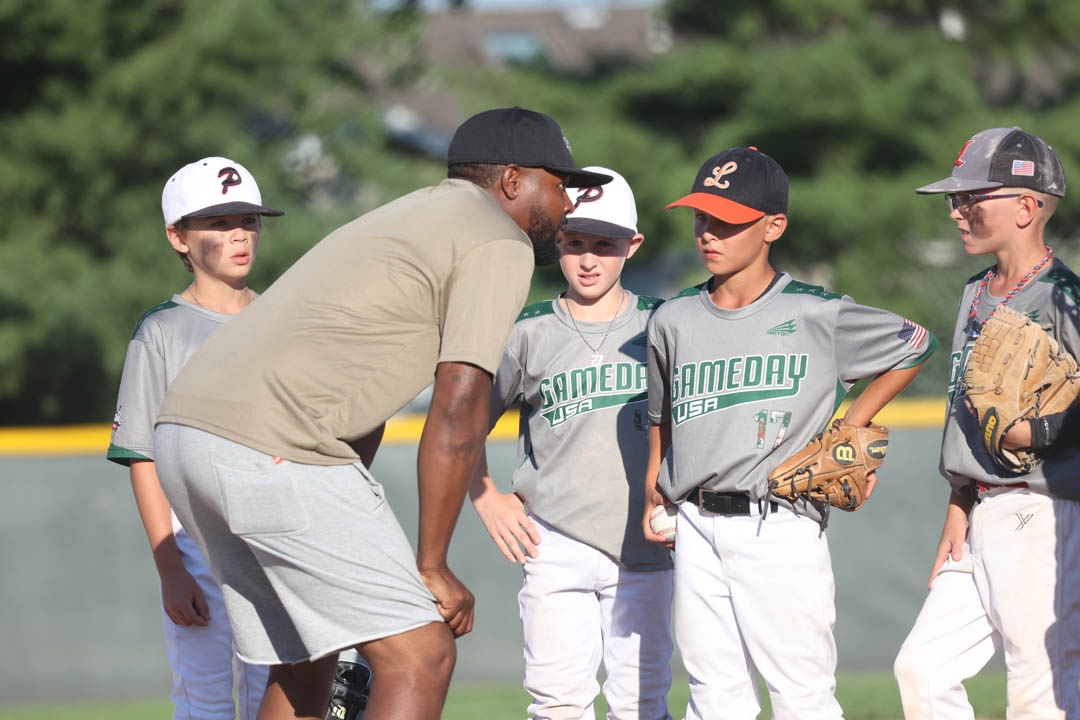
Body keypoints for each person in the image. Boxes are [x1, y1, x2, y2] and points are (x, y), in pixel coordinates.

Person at [150, 107, 611, 720]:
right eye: (560, 184)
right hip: (271, 444)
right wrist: (431, 564)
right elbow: (460, 403)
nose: (569, 202)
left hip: (188, 436)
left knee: (308, 654)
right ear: (511, 181)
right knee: (422, 652)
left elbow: (351, 392)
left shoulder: (408, 215)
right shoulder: (498, 240)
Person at [642, 147, 937, 720]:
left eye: (727, 221)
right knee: (712, 697)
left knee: (801, 698)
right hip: (695, 524)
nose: (708, 232)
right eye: (700, 217)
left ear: (773, 226)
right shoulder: (672, 318)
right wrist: (656, 487)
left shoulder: (814, 312)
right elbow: (662, 416)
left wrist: (852, 419)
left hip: (777, 523)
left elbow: (915, 342)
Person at [468, 167, 675, 719]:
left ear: (633, 245)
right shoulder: (528, 331)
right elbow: (459, 425)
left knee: (641, 703)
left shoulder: (664, 323)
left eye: (604, 244)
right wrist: (484, 492)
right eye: (574, 242)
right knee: (558, 702)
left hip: (648, 540)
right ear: (555, 240)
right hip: (554, 538)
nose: (588, 259)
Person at [893, 126, 1080, 719]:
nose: (958, 211)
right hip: (980, 511)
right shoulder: (974, 292)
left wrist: (1042, 433)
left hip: (1045, 509)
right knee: (922, 670)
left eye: (971, 198)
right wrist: (958, 504)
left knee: (1038, 683)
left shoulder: (1064, 298)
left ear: (1026, 206)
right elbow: (960, 407)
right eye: (956, 200)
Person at [106, 156, 283, 719]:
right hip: (196, 536)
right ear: (177, 237)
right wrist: (170, 569)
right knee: (205, 701)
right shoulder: (161, 331)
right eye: (218, 222)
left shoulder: (285, 318)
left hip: (277, 532)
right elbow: (143, 455)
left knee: (275, 699)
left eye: (248, 220)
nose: (239, 234)